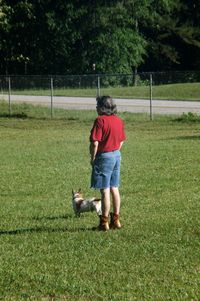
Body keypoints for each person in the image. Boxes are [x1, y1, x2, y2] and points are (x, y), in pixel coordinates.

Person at [89, 96, 126, 231]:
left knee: (104, 190)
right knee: (114, 187)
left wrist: (93, 158)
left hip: (103, 156)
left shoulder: (100, 121)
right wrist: (114, 150)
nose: (96, 108)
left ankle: (104, 222)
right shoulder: (119, 120)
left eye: (97, 105)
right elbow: (122, 140)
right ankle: (116, 220)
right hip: (116, 155)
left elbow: (95, 142)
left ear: (102, 107)